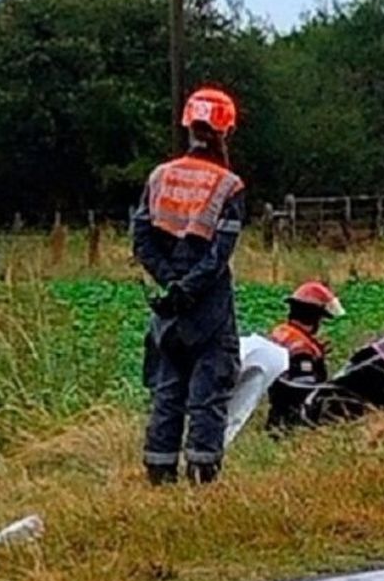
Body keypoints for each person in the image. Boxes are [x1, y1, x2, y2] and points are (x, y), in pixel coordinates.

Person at [132, 87, 245, 484]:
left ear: (189, 126)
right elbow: (219, 253)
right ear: (224, 131)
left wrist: (169, 283)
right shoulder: (228, 185)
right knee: (208, 393)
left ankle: (159, 474)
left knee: (167, 391)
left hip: (166, 308)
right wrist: (190, 287)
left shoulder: (159, 176)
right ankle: (202, 476)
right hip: (208, 307)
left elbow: (141, 239)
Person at [266, 281, 345, 431]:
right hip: (293, 424)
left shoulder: (282, 333)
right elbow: (304, 390)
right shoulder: (302, 348)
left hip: (276, 415)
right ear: (314, 317)